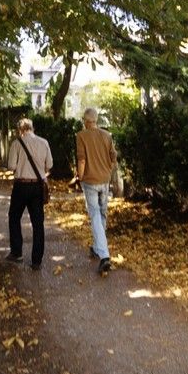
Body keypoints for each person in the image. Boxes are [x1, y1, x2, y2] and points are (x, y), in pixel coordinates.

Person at [5, 118, 53, 270]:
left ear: (20, 130)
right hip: (38, 187)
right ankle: (36, 260)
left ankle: (17, 252)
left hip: (21, 185)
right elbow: (50, 165)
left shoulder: (16, 143)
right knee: (38, 223)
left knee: (14, 217)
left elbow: (11, 166)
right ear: (33, 128)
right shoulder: (44, 142)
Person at [76, 107, 118, 276]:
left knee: (94, 214)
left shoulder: (81, 136)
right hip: (104, 180)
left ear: (86, 121)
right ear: (96, 120)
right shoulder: (107, 135)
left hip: (90, 181)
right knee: (102, 214)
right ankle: (97, 247)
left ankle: (104, 256)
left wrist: (79, 177)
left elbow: (82, 160)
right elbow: (114, 157)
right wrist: (108, 170)